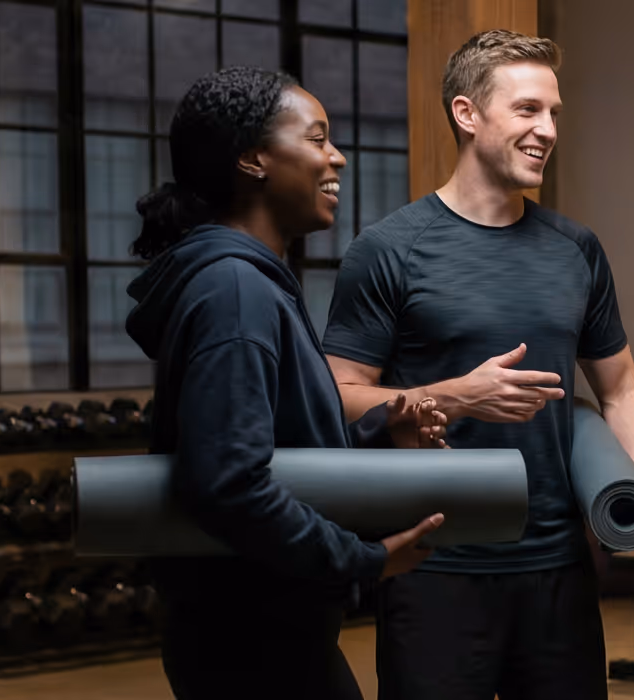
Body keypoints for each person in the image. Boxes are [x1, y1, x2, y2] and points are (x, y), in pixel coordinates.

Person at [322, 30, 634, 700]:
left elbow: (621, 388)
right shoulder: (389, 250)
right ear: (467, 113)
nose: (547, 130)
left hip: (558, 573)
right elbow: (337, 395)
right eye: (528, 110)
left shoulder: (576, 250)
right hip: (433, 569)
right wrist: (454, 395)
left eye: (555, 113)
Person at [126, 66, 448, 700]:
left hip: (269, 632)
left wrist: (380, 432)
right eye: (318, 138)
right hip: (250, 644)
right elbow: (227, 484)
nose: (338, 157)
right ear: (254, 159)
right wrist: (367, 561)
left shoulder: (247, 282)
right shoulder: (235, 291)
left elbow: (276, 451)